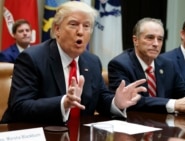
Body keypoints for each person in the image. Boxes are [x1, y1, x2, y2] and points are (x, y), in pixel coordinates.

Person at [1, 1, 147, 125]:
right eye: (73, 24)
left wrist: (116, 103)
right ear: (57, 29)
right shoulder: (32, 58)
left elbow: (101, 99)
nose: (80, 32)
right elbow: (19, 107)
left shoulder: (92, 61)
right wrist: (63, 103)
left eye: (86, 26)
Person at [107, 17, 185, 114]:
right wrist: (173, 104)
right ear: (135, 40)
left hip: (163, 126)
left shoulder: (167, 64)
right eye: (150, 38)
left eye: (160, 39)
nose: (156, 44)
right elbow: (131, 101)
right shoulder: (119, 64)